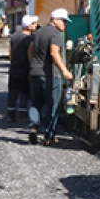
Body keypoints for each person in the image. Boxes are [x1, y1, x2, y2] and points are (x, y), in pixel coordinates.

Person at [27, 8, 74, 145]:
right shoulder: (55, 34)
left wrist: (33, 64)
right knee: (52, 105)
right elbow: (54, 53)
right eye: (64, 22)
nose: (65, 25)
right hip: (50, 75)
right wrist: (64, 71)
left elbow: (30, 48)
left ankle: (34, 127)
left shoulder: (39, 32)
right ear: (56, 20)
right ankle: (49, 136)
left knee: (35, 102)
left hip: (34, 73)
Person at [7, 15, 37, 122]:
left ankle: (10, 114)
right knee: (24, 92)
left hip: (14, 68)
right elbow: (30, 55)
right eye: (34, 23)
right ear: (28, 26)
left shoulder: (14, 37)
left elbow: (10, 54)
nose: (36, 25)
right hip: (24, 69)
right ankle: (22, 114)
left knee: (13, 92)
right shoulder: (30, 39)